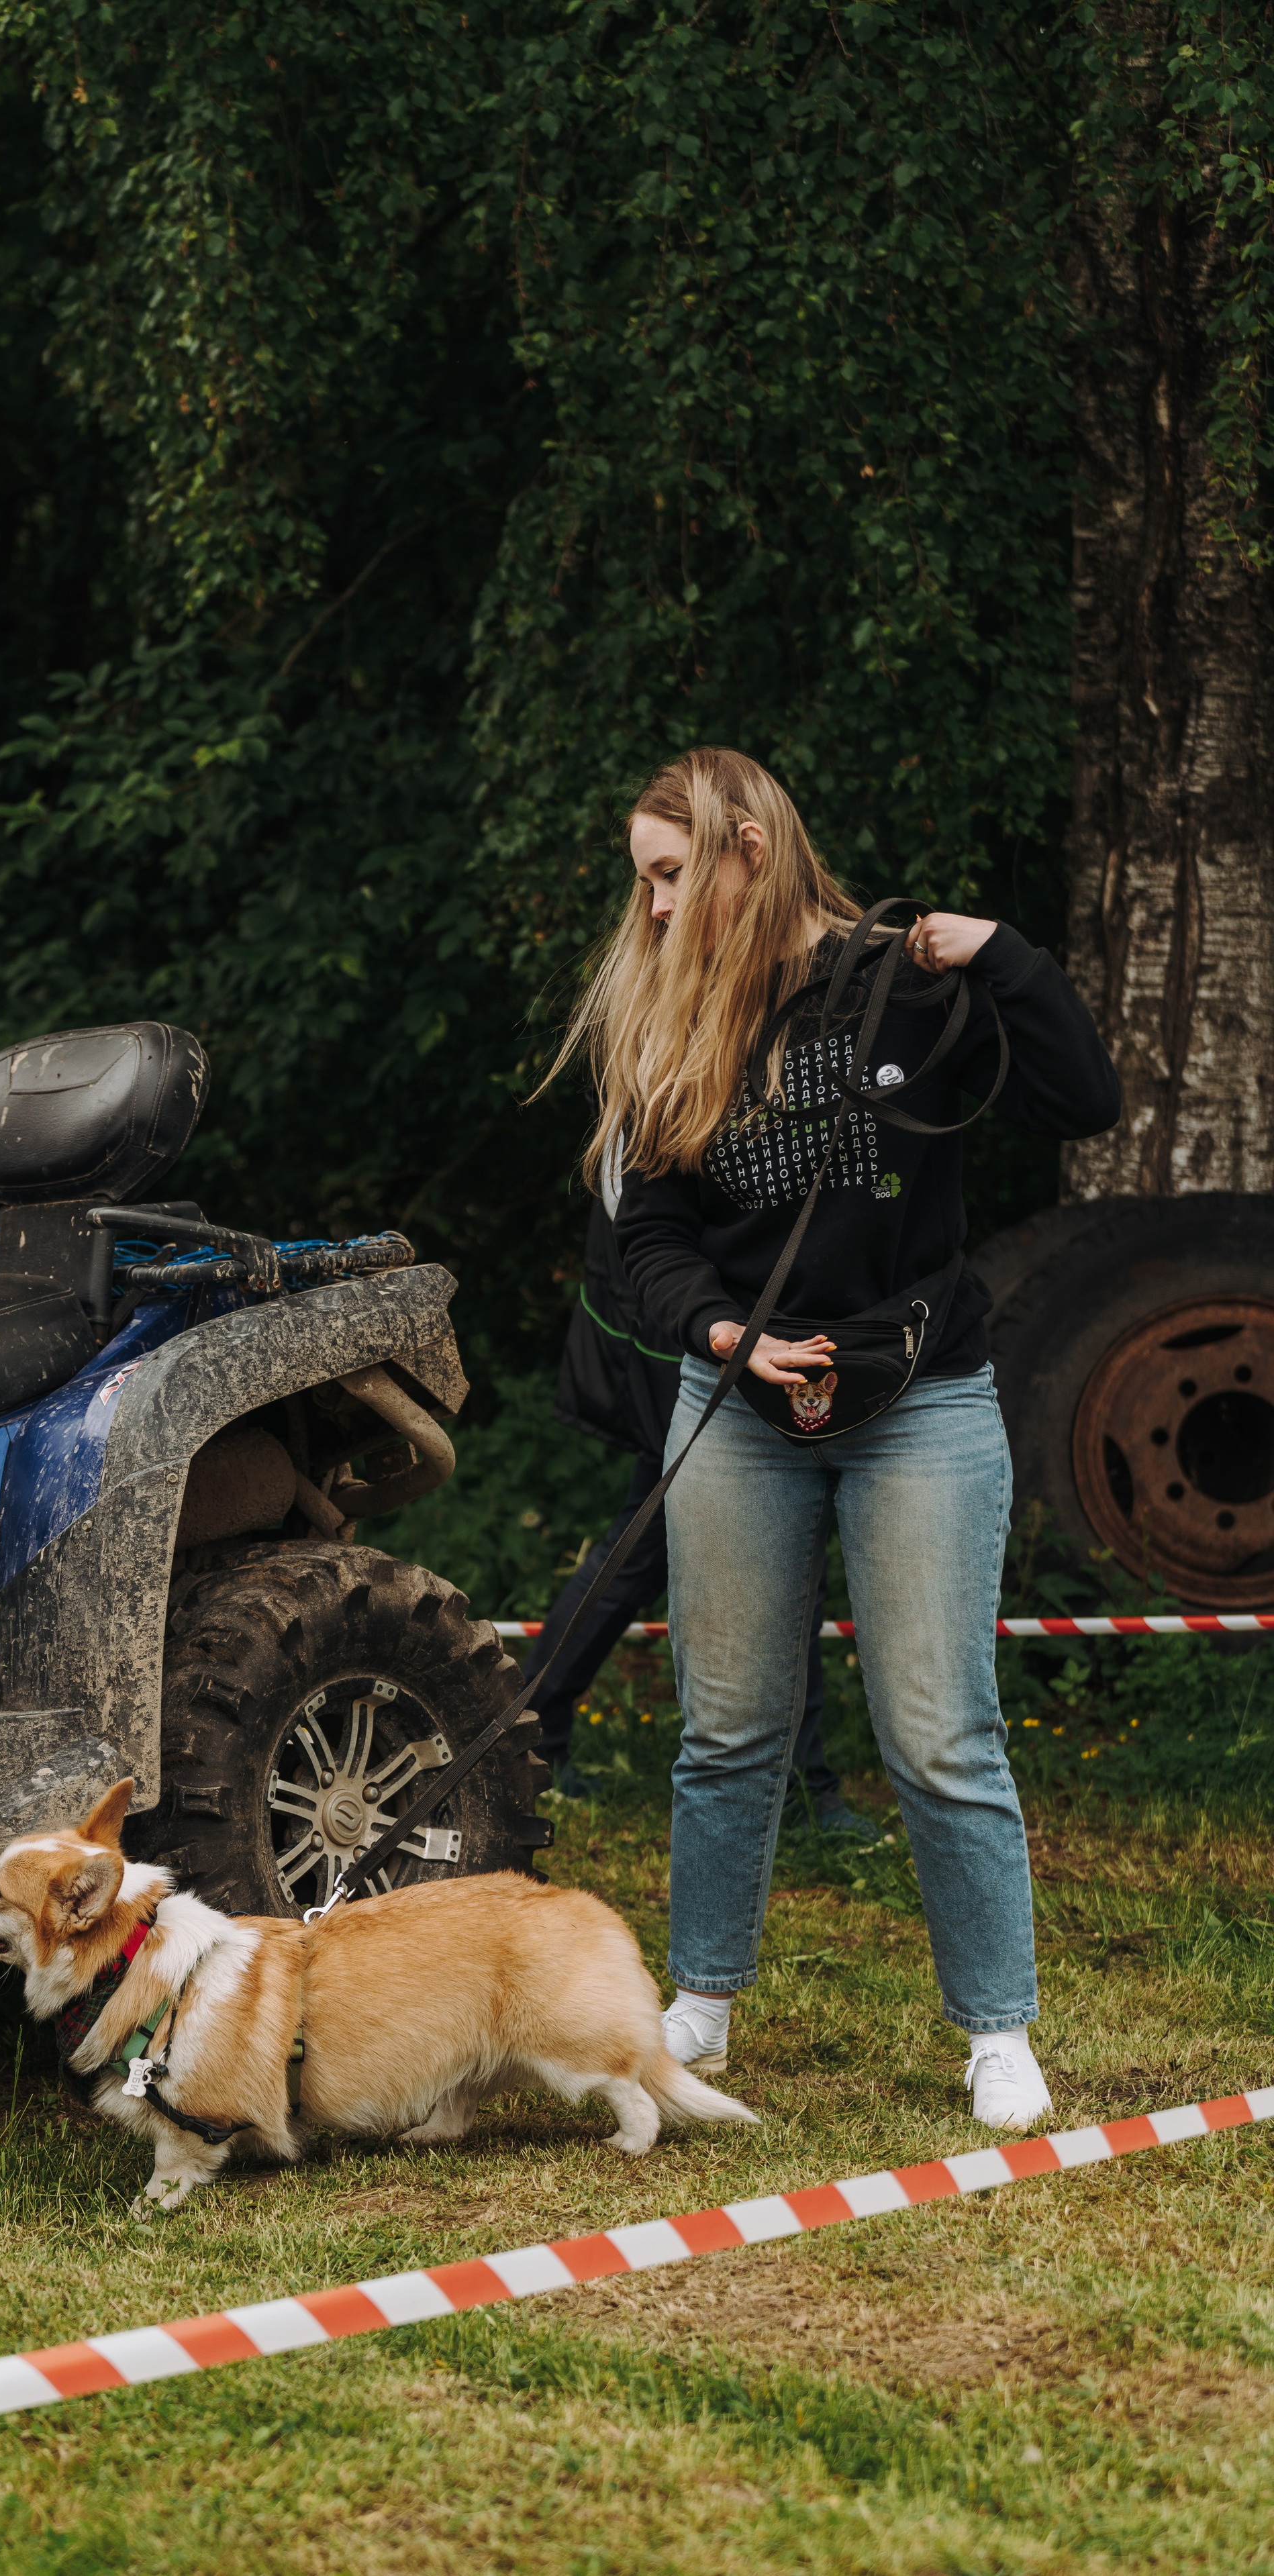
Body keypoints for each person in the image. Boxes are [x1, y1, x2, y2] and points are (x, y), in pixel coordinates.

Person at [546, 746, 1120, 2130]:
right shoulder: (668, 1011)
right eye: (644, 882)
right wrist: (720, 1334)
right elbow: (649, 1237)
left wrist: (1006, 957)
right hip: (736, 1400)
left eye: (670, 874)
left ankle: (996, 2029)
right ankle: (700, 2000)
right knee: (726, 1729)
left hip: (919, 1397)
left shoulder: (905, 984)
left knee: (939, 1732)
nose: (655, 908)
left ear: (749, 847)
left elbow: (1082, 1103)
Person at [526, 1199, 875, 1844]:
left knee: (651, 1549)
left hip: (701, 1333)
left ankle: (529, 1735)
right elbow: (654, 1227)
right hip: (696, 1343)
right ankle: (802, 1788)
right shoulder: (663, 1141)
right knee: (669, 1548)